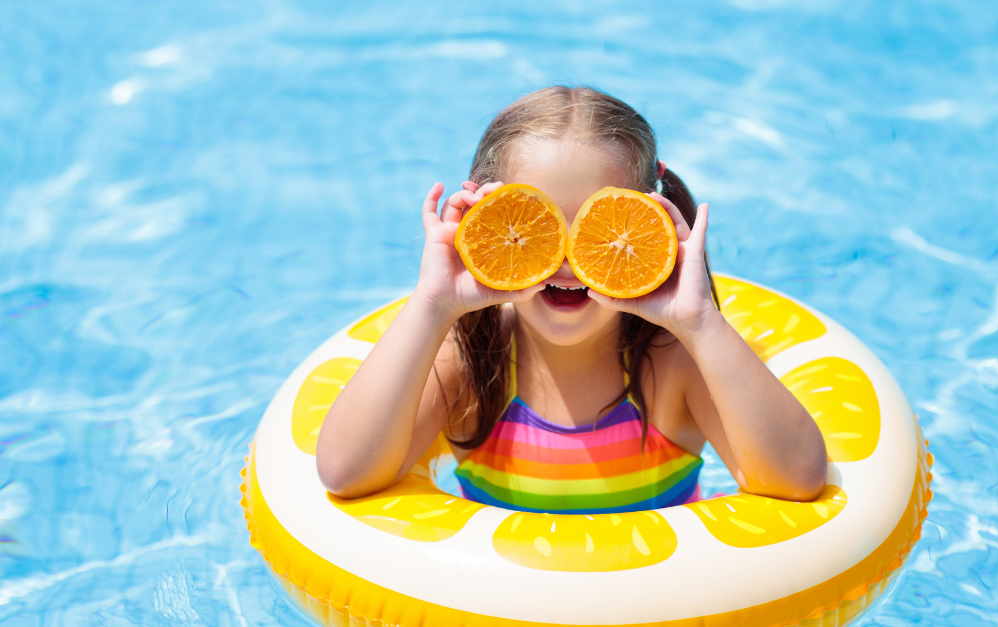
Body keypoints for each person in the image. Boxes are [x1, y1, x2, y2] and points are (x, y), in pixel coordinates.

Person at [315, 86, 827, 513]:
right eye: (537, 225)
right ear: (483, 218)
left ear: (649, 218)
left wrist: (698, 322)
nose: (567, 260)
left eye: (598, 227)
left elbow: (796, 481)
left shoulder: (673, 363)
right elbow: (346, 473)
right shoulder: (471, 362)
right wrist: (433, 304)